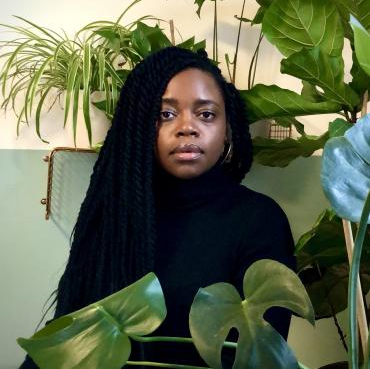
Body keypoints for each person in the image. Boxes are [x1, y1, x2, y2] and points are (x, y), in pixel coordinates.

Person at [20, 46, 295, 368]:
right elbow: (74, 340)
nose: (187, 127)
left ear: (228, 128)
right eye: (165, 114)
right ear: (138, 126)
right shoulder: (115, 215)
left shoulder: (259, 220)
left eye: (206, 114)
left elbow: (262, 352)